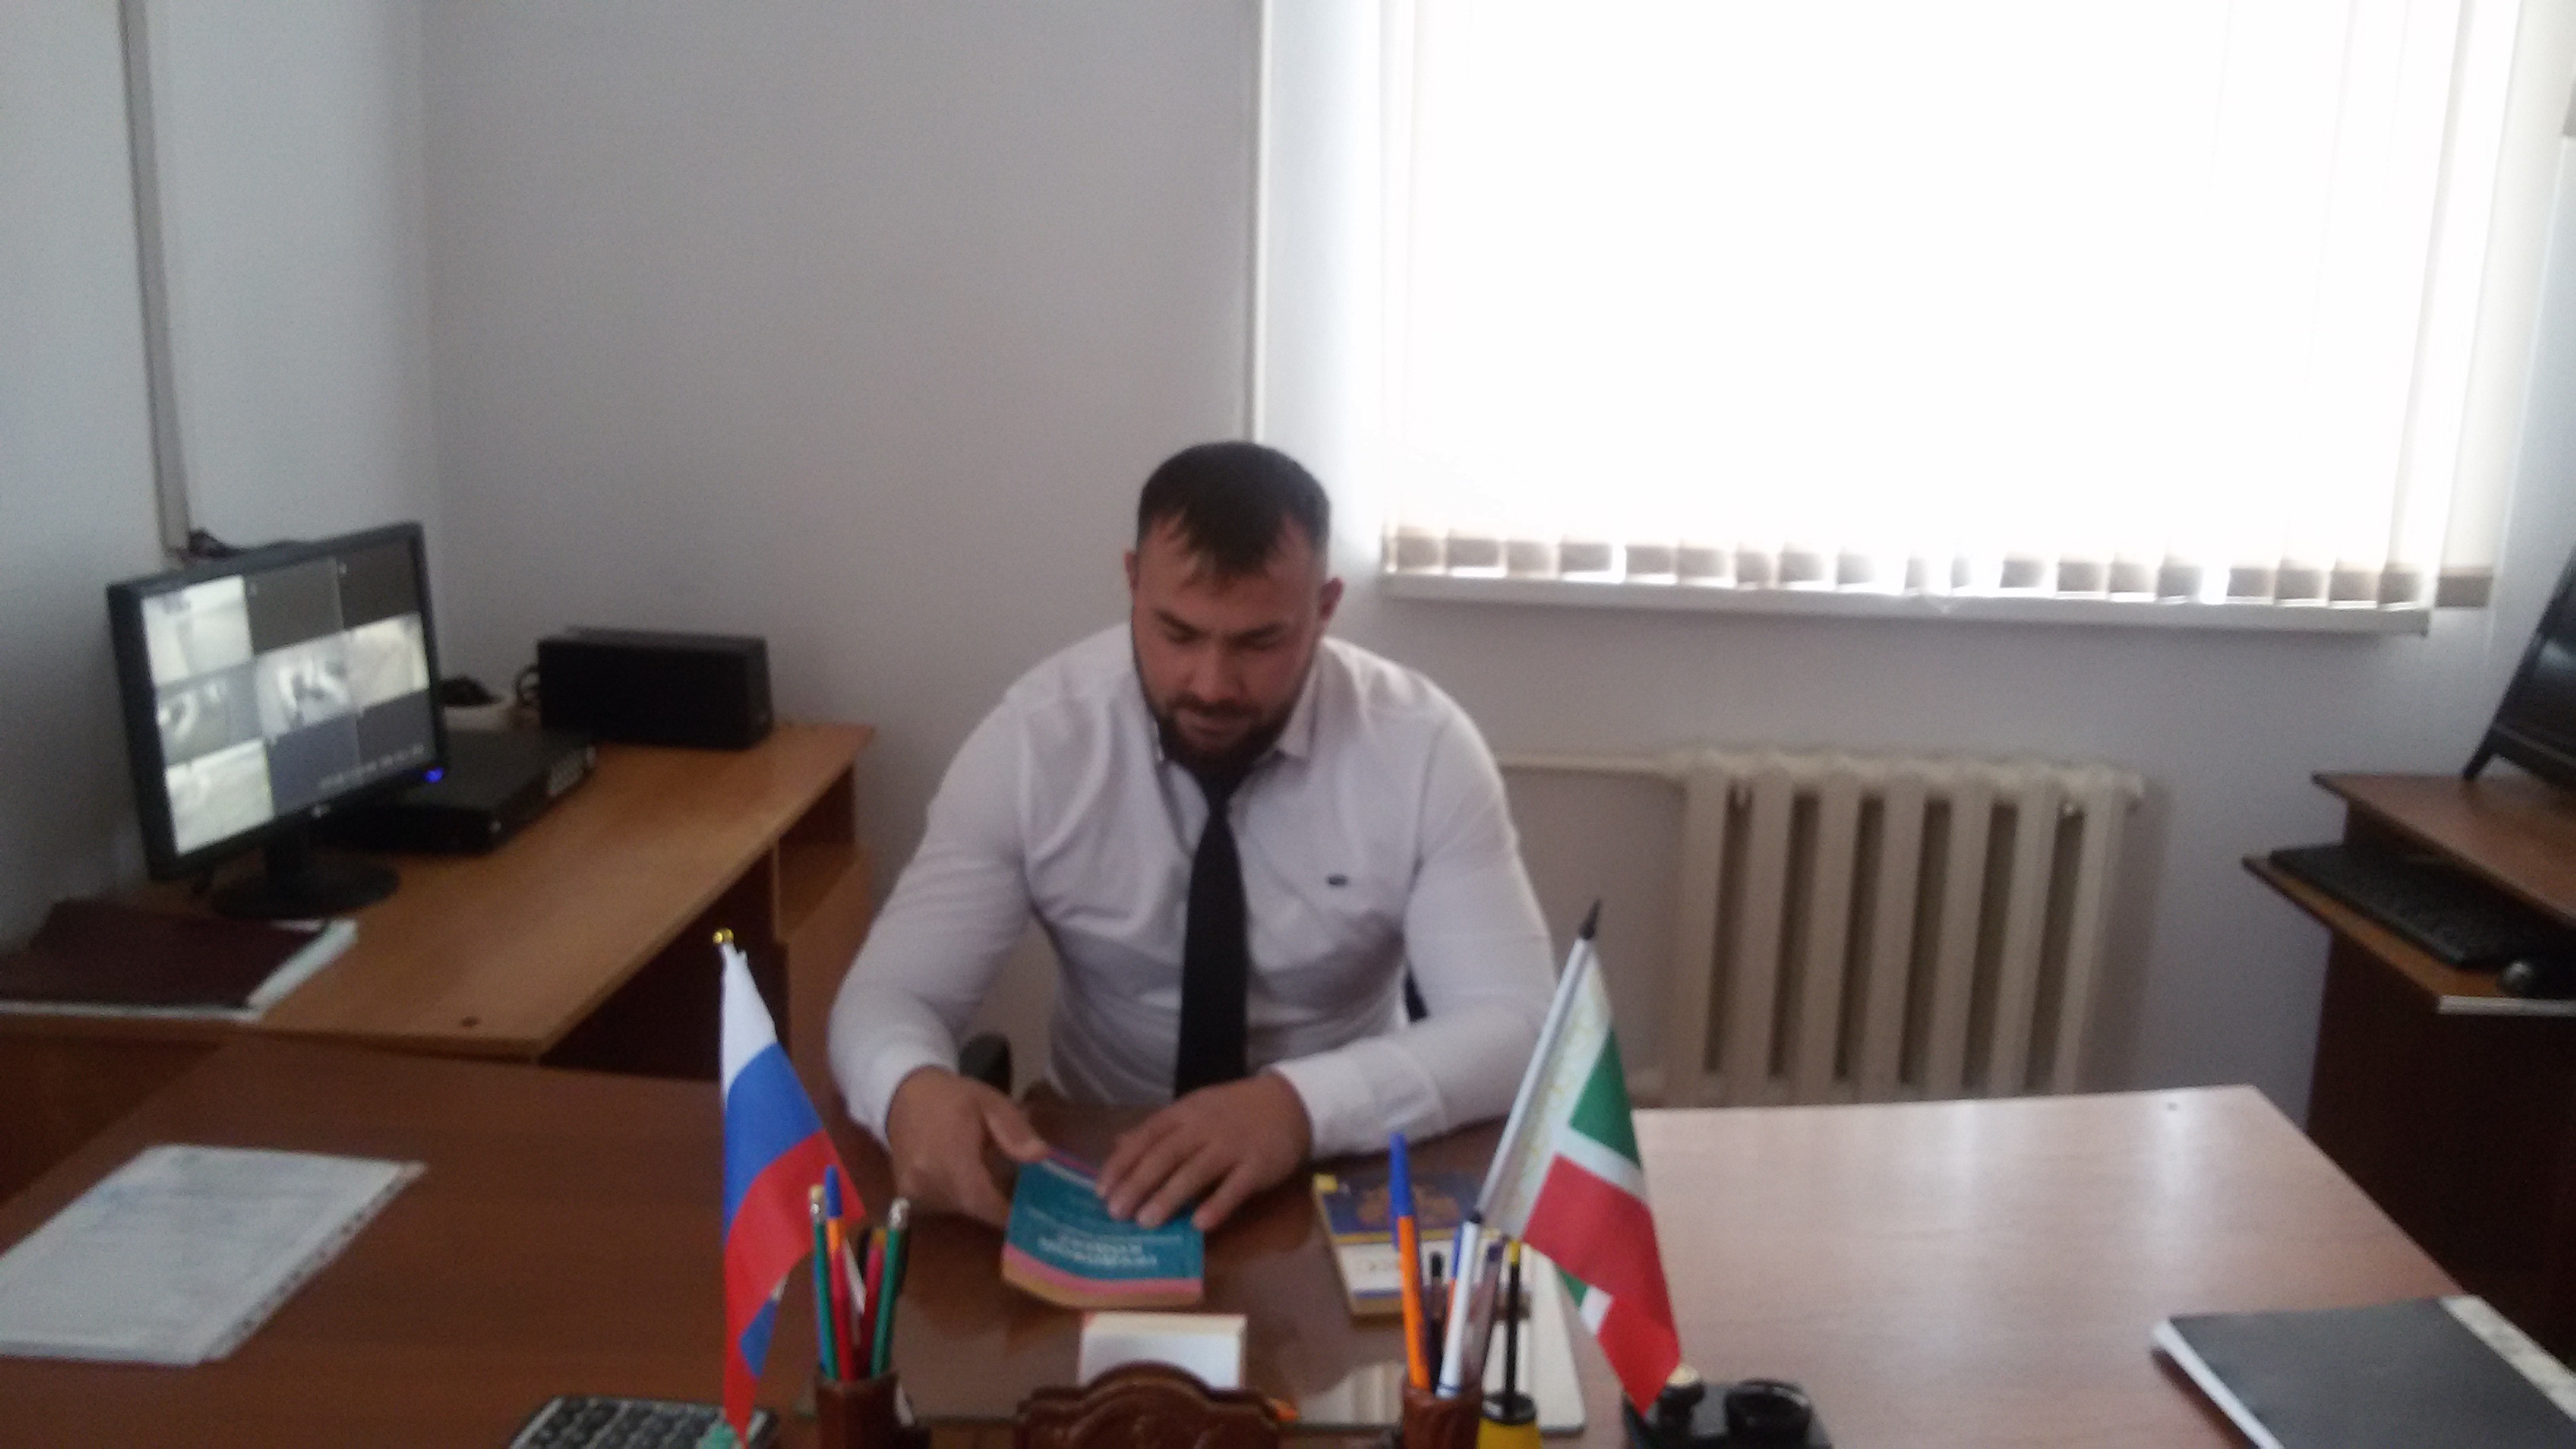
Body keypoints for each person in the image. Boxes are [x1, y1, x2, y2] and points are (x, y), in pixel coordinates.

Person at [827, 441, 1555, 1234]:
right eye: (1177, 633)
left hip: (1343, 1158)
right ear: (1132, 582)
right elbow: (889, 996)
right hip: (1101, 1152)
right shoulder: (1036, 745)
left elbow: (1519, 1026)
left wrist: (1297, 1107)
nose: (1211, 685)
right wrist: (908, 1086)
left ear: (1325, 607)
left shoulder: (1422, 748)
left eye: (1258, 643)